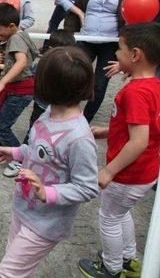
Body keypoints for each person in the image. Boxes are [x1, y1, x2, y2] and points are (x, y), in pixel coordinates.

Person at [0, 46, 99, 277]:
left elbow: (88, 187)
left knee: (8, 272)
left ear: (47, 85)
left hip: (47, 223)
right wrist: (17, 152)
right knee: (17, 262)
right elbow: (39, 149)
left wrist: (47, 193)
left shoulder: (79, 137)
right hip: (23, 207)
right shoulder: (48, 113)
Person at [78, 23, 160, 278]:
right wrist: (108, 130)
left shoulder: (135, 92)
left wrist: (109, 171)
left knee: (109, 217)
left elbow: (138, 140)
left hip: (127, 174)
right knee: (121, 213)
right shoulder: (154, 85)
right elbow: (146, 128)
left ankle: (112, 268)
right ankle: (129, 259)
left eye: (120, 50)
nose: (116, 55)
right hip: (145, 171)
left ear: (135, 55)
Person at [55, 0, 133, 122]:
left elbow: (132, 21)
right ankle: (63, 114)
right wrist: (79, 13)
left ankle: (83, 121)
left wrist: (127, 55)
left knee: (99, 85)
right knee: (71, 75)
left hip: (110, 44)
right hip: (86, 40)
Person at [0, 3, 39, 178]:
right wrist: (1, 66)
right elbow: (26, 60)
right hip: (17, 87)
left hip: (20, 90)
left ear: (11, 26)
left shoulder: (15, 39)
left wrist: (2, 82)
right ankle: (1, 149)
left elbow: (21, 62)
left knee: (1, 126)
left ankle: (20, 159)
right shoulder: (22, 35)